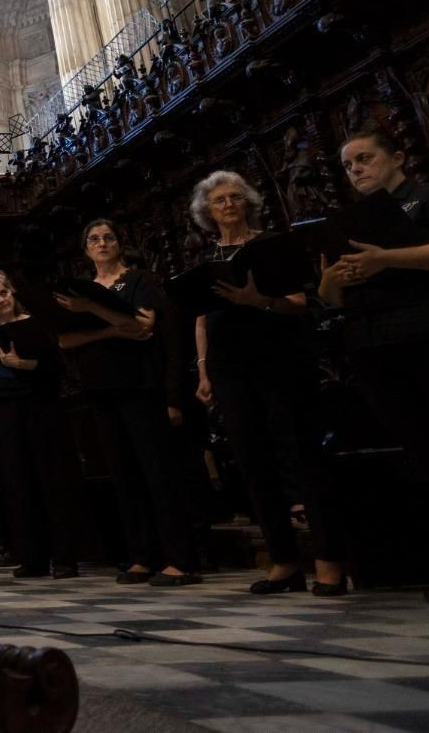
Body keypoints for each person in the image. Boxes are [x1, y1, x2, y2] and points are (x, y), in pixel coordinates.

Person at [319, 127, 429, 603]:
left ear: (396, 158)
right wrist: (334, 278)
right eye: (349, 165)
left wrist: (386, 259)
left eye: (364, 158)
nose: (356, 170)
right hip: (378, 350)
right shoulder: (346, 224)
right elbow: (329, 296)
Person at [188, 171, 348, 596]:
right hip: (228, 366)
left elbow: (298, 304)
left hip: (277, 359)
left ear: (249, 203)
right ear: (206, 211)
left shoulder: (271, 246)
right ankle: (283, 561)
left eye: (235, 197)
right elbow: (202, 318)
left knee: (301, 455)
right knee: (253, 461)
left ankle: (329, 560)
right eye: (219, 199)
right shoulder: (207, 259)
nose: (227, 204)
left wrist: (256, 301)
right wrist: (203, 369)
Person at [58, 219, 201, 586]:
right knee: (123, 476)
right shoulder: (81, 290)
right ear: (85, 248)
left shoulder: (139, 281)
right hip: (100, 388)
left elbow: (142, 328)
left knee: (157, 473)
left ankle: (180, 558)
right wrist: (106, 328)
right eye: (94, 239)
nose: (102, 243)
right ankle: (141, 556)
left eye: (109, 237)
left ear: (120, 244)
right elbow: (65, 342)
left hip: (140, 385)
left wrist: (92, 310)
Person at [0, 270, 77, 579]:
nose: (1, 300)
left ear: (13, 292)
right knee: (18, 483)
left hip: (40, 405)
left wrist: (23, 364)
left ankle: (63, 558)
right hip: (5, 410)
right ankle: (32, 557)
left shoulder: (36, 321)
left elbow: (59, 366)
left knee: (49, 479)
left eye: (4, 293)